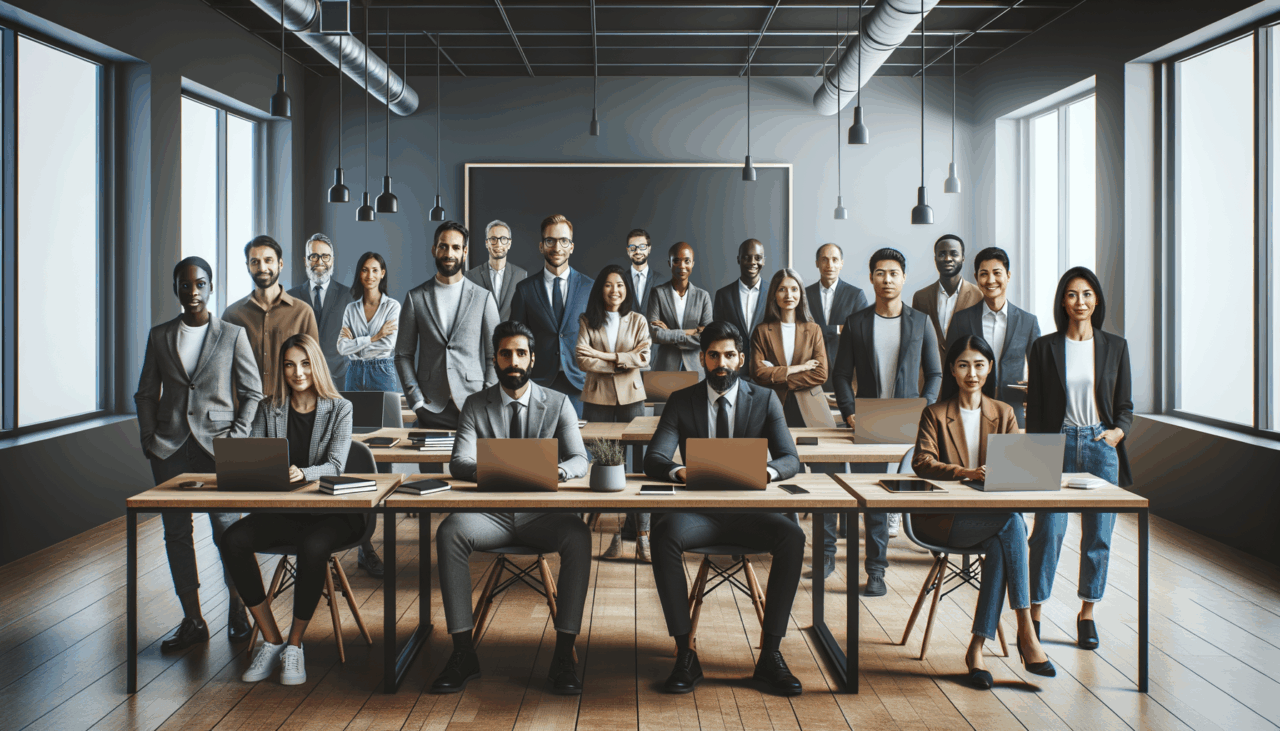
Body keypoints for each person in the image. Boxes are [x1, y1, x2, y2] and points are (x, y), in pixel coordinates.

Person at [643, 321, 805, 697]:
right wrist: (679, 471)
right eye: (713, 355)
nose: (721, 363)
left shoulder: (764, 399)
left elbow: (789, 459)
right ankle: (685, 653)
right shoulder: (682, 400)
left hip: (750, 512)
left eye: (729, 355)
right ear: (702, 358)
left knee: (793, 537)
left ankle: (771, 654)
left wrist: (765, 472)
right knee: (664, 535)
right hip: (698, 514)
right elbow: (654, 458)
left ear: (741, 359)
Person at [432, 321, 591, 696]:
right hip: (492, 514)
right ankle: (463, 652)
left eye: (521, 353)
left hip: (543, 514)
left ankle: (564, 655)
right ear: (495, 360)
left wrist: (556, 471)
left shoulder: (558, 403)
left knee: (579, 536)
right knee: (449, 531)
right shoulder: (476, 405)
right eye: (506, 354)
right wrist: (505, 469)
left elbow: (579, 459)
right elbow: (459, 462)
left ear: (532, 358)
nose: (514, 361)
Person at [911, 335, 1056, 689]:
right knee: (1013, 525)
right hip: (945, 521)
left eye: (979, 365)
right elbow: (922, 462)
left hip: (992, 520)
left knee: (1003, 537)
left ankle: (976, 650)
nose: (972, 373)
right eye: (963, 365)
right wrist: (966, 472)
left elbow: (1016, 467)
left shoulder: (1004, 413)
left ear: (989, 368)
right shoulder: (934, 413)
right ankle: (1026, 629)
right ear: (952, 370)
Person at [134, 257, 263, 651]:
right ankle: (193, 619)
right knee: (176, 533)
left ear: (211, 286)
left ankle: (238, 609)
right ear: (176, 288)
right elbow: (145, 393)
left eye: (200, 283)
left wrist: (237, 437)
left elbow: (253, 391)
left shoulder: (232, 335)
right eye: (185, 284)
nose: (192, 291)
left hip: (218, 447)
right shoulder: (159, 336)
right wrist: (148, 438)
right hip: (169, 447)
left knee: (228, 531)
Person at [220, 334, 357, 686]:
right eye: (289, 365)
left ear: (317, 365)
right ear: (281, 370)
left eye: (305, 363)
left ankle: (295, 645)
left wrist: (303, 473)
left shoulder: (339, 407)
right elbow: (254, 454)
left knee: (313, 546)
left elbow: (336, 464)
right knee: (232, 539)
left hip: (332, 513)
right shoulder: (269, 408)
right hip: (284, 512)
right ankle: (272, 639)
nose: (298, 372)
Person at [1027, 267, 1133, 652]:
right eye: (1072, 294)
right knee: (1047, 532)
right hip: (1055, 444)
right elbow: (1036, 407)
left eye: (1087, 294)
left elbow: (1125, 405)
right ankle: (1034, 612)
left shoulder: (1115, 346)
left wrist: (1117, 433)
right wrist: (1035, 454)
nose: (1080, 302)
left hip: (1099, 445)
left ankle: (1087, 613)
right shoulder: (1044, 347)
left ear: (1096, 299)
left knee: (1098, 535)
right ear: (1062, 301)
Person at [832, 248, 942, 597]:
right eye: (880, 273)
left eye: (894, 273)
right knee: (875, 498)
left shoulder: (921, 322)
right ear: (871, 278)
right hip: (870, 422)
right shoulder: (856, 322)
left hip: (911, 423)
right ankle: (875, 570)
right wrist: (849, 411)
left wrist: (926, 410)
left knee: (921, 490)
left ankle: (940, 551)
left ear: (904, 278)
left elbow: (936, 374)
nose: (887, 280)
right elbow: (840, 374)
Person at [575, 264, 653, 561]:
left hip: (632, 399)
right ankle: (606, 535)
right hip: (597, 399)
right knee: (602, 466)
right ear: (600, 289)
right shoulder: (587, 320)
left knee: (639, 467)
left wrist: (603, 355)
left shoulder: (638, 320)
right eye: (608, 285)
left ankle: (642, 535)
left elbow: (643, 357)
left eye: (620, 284)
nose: (615, 290)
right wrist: (622, 362)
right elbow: (583, 359)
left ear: (627, 289)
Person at [396, 221, 500, 431]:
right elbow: (402, 355)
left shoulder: (484, 298)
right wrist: (416, 402)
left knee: (474, 455)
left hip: (474, 405)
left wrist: (487, 399)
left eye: (455, 247)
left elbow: (496, 355)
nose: (449, 253)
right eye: (443, 246)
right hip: (430, 406)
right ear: (434, 250)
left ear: (464, 252)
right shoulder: (415, 298)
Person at [945, 246, 1040, 427]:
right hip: (968, 412)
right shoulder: (961, 320)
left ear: (1008, 276)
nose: (990, 280)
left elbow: (1040, 371)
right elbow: (949, 370)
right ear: (976, 278)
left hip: (1013, 412)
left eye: (997, 273)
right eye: (984, 274)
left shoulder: (1028, 322)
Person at [511, 214, 594, 416]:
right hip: (538, 384)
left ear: (571, 247)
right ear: (541, 246)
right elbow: (516, 340)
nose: (557, 247)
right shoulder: (525, 289)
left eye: (564, 241)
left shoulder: (589, 287)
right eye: (550, 241)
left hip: (580, 384)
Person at [222, 235, 320, 398]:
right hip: (246, 408)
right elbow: (224, 370)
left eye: (268, 260)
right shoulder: (232, 315)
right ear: (248, 267)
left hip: (289, 406)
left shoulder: (303, 312)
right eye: (255, 262)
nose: (262, 268)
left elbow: (314, 367)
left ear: (280, 264)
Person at [749, 268, 828, 428]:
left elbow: (821, 373)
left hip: (811, 406)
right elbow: (758, 373)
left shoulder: (813, 329)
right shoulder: (761, 331)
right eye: (782, 289)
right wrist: (800, 368)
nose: (789, 295)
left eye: (794, 289)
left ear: (801, 293)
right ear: (774, 294)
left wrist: (778, 375)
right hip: (774, 404)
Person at [806, 243, 870, 390]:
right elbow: (799, 331)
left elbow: (863, 333)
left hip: (846, 374)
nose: (830, 265)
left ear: (841, 263)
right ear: (817, 263)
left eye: (835, 260)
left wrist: (817, 330)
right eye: (824, 259)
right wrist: (838, 329)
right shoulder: (804, 295)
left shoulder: (856, 295)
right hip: (811, 371)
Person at [288, 233, 349, 386]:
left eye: (325, 256)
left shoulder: (349, 296)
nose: (320, 262)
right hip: (302, 381)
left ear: (332, 260)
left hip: (340, 382)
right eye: (313, 256)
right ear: (305, 261)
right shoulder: (290, 297)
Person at [911, 234, 983, 360]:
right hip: (931, 369)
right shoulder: (920, 297)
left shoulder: (978, 295)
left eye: (954, 254)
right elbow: (916, 340)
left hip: (965, 368)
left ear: (963, 258)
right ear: (935, 259)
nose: (947, 259)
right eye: (942, 254)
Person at [338, 251, 401, 393]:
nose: (370, 276)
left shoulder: (392, 306)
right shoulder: (351, 309)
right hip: (354, 373)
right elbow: (342, 347)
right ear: (359, 274)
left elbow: (388, 344)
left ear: (382, 273)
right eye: (365, 270)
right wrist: (375, 337)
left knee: (385, 409)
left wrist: (355, 345)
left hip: (381, 372)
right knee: (352, 409)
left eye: (375, 270)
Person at [647, 241, 713, 374]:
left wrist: (669, 333)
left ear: (692, 263)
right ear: (669, 263)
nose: (682, 266)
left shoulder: (703, 296)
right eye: (676, 261)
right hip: (665, 365)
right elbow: (654, 334)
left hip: (696, 367)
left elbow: (708, 336)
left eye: (687, 261)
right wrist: (691, 331)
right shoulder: (657, 293)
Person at [712, 238, 769, 370]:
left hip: (765, 368)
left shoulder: (774, 293)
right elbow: (718, 336)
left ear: (764, 261)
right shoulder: (723, 295)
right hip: (733, 369)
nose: (752, 262)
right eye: (747, 257)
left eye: (758, 258)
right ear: (738, 259)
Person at [464, 219, 528, 321]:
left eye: (503, 239)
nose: (498, 244)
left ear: (509, 244)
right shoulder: (471, 276)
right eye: (493, 239)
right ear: (486, 243)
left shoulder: (521, 275)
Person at [624, 228, 657, 317]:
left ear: (649, 249)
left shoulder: (661, 281)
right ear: (628, 250)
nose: (637, 251)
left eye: (642, 246)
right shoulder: (620, 280)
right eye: (632, 247)